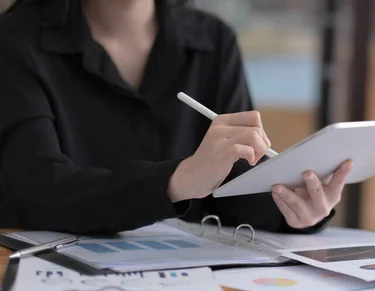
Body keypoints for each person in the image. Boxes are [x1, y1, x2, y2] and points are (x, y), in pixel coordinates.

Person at [0, 0, 352, 235]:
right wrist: (177, 181)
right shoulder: (15, 42)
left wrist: (295, 209)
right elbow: (37, 191)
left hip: (198, 280)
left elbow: (234, 194)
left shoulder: (214, 41)